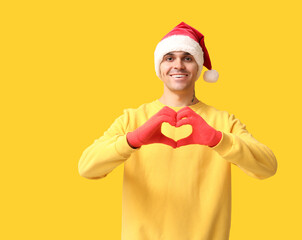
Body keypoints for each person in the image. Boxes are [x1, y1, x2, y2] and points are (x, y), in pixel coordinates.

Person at [78, 22, 277, 240]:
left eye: (187, 58)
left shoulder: (223, 121)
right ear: (159, 67)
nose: (179, 65)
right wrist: (132, 140)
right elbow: (87, 168)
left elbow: (267, 167)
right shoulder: (132, 119)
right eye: (169, 57)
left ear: (198, 67)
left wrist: (218, 139)